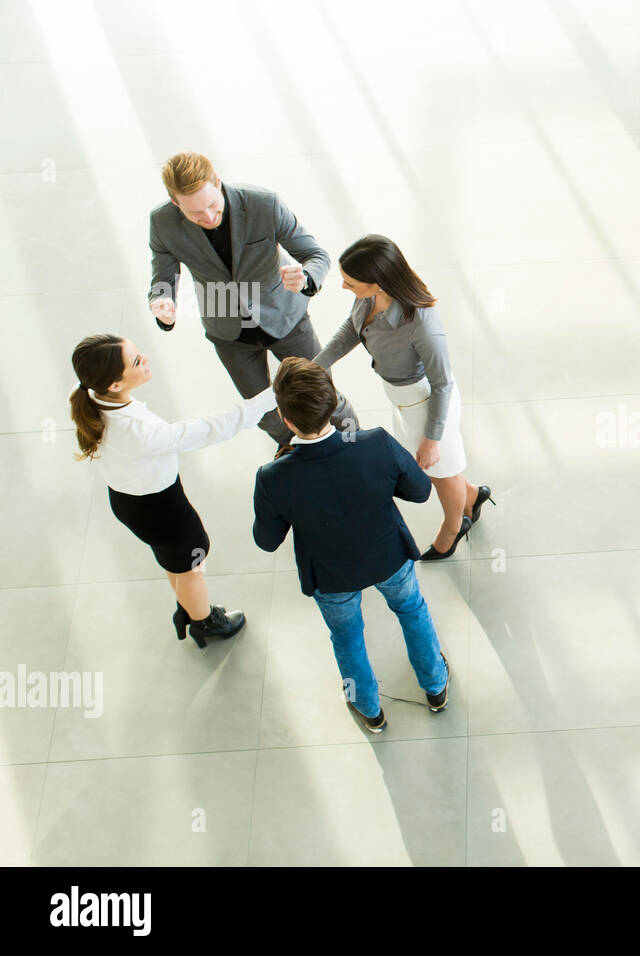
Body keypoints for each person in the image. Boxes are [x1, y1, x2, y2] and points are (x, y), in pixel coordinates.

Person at [251, 357, 450, 732]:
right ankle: (436, 686)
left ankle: (369, 709)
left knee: (346, 636)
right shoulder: (374, 443)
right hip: (389, 556)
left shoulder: (273, 476)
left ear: (285, 418)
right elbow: (421, 492)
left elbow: (267, 540)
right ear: (334, 401)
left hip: (331, 576)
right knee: (411, 610)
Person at [69, 334, 275, 647]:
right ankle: (204, 621)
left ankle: (189, 608)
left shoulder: (87, 393)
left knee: (174, 560)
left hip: (130, 503)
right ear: (114, 385)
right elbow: (210, 429)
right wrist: (271, 397)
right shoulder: (141, 433)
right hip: (162, 509)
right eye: (137, 361)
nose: (146, 358)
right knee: (193, 563)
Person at [147, 150, 359, 450]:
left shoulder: (263, 203)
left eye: (211, 205)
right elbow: (162, 278)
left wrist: (307, 278)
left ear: (217, 183)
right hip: (228, 332)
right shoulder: (162, 223)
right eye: (194, 213)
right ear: (174, 202)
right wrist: (162, 303)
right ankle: (293, 452)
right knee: (263, 412)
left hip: (285, 317)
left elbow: (315, 255)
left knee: (323, 395)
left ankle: (354, 443)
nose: (207, 217)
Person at [313, 234, 492, 560]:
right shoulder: (367, 301)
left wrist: (433, 439)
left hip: (428, 404)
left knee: (441, 472)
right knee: (443, 469)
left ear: (378, 283)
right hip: (403, 399)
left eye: (350, 283)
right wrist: (318, 365)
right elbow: (352, 329)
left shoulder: (422, 324)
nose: (344, 288)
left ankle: (453, 528)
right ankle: (471, 496)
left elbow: (442, 386)